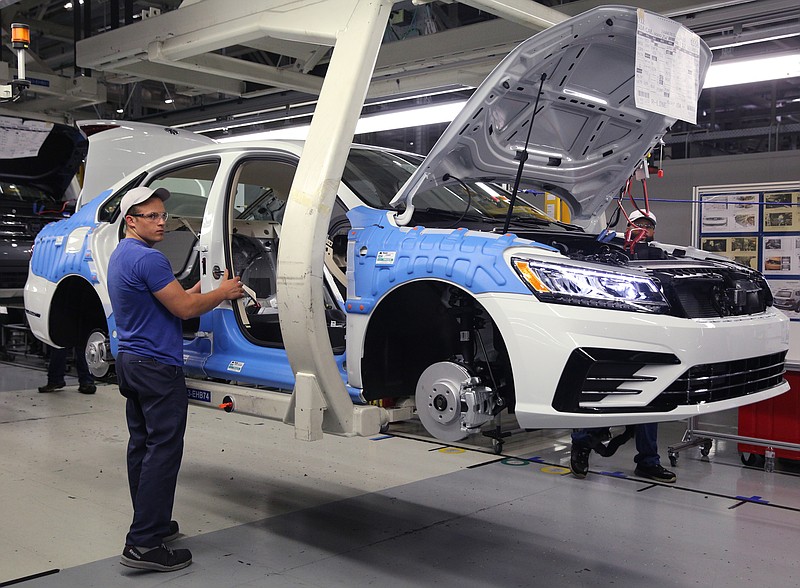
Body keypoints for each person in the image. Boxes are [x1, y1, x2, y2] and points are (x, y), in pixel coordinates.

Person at [108, 186, 244, 572]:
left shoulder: (123, 255)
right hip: (156, 366)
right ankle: (144, 544)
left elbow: (168, 299)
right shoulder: (151, 259)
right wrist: (222, 292)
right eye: (152, 216)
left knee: (143, 445)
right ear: (131, 221)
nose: (162, 221)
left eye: (163, 215)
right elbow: (183, 310)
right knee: (164, 450)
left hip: (131, 361)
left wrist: (200, 290)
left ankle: (151, 522)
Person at [569, 210, 676, 484]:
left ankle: (648, 462)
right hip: (607, 336)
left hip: (646, 339)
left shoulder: (660, 258)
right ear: (626, 226)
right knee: (596, 395)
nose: (643, 229)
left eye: (648, 226)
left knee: (647, 400)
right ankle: (581, 446)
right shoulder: (606, 252)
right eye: (638, 224)